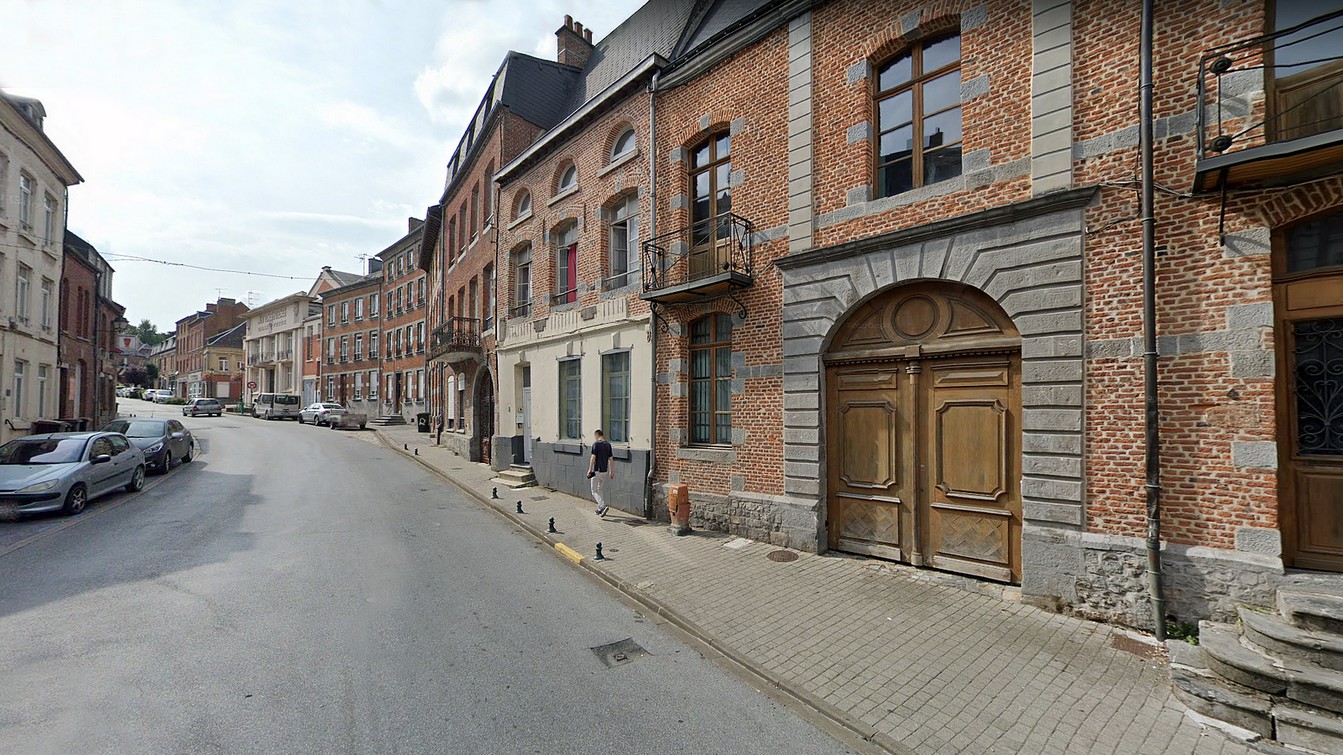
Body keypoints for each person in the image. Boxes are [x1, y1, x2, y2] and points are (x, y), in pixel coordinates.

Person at [588, 428, 614, 517]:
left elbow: (593, 458)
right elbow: (611, 459)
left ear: (597, 435)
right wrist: (611, 471)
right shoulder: (608, 445)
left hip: (597, 471)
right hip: (605, 471)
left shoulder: (596, 444)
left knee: (594, 490)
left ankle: (603, 505)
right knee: (600, 489)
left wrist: (590, 469)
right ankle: (600, 509)